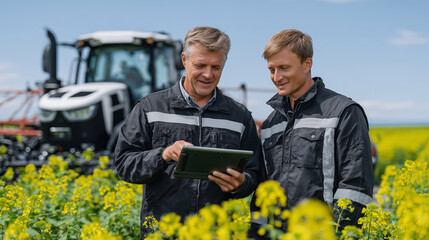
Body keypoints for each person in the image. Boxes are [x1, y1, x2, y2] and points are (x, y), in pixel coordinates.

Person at [114, 26, 262, 239]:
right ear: (184, 60)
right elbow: (124, 165)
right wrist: (163, 155)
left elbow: (253, 173)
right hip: (162, 233)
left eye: (216, 67)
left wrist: (241, 184)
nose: (208, 74)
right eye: (200, 65)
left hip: (215, 233)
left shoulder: (239, 116)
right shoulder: (150, 108)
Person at [249, 29, 374, 237]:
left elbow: (355, 187)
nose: (276, 77)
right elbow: (263, 191)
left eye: (284, 68)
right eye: (271, 69)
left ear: (307, 64)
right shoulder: (271, 123)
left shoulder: (343, 112)